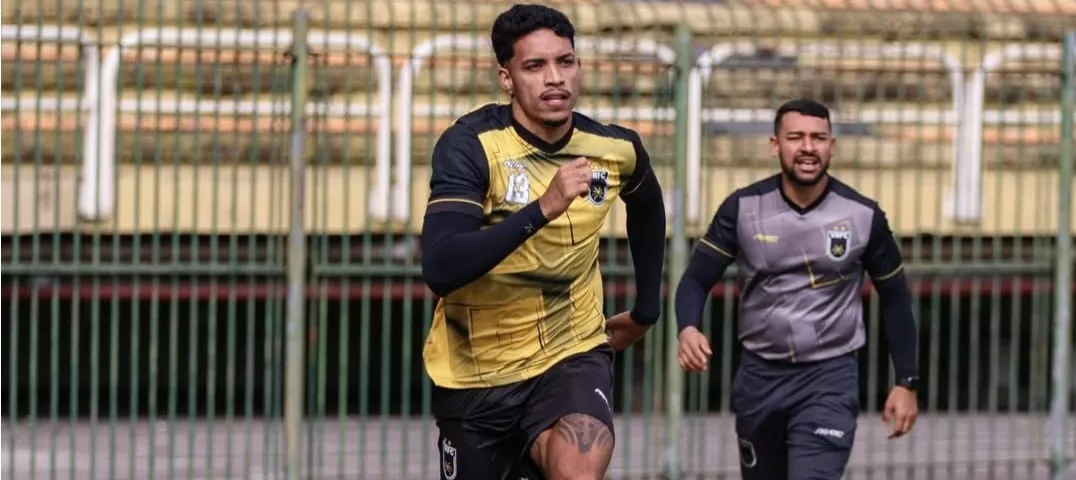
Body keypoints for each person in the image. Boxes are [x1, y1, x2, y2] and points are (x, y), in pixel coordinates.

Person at [418, 4, 667, 480]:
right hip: (474, 375)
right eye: (535, 66)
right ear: (506, 78)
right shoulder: (472, 145)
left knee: (577, 470)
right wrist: (543, 209)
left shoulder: (615, 149)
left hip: (570, 354)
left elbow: (648, 205)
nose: (555, 78)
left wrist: (647, 310)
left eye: (566, 61)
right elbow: (441, 266)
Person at [674, 98, 921, 480]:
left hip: (829, 378)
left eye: (818, 138)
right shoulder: (743, 208)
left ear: (832, 146)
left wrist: (906, 381)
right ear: (776, 145)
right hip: (759, 378)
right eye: (796, 137)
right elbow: (694, 280)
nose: (808, 147)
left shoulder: (862, 216)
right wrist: (687, 327)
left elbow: (895, 298)